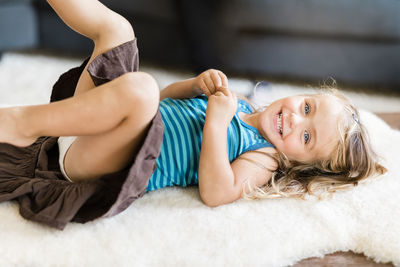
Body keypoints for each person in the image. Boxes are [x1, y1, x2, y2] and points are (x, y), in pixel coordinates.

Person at [0, 0, 387, 227]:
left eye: (306, 137)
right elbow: (167, 102)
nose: (295, 120)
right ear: (303, 95)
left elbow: (217, 192)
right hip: (90, 129)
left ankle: (20, 123)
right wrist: (193, 87)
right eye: (306, 108)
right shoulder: (240, 103)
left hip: (101, 164)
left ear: (302, 163)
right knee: (117, 29)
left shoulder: (265, 157)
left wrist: (217, 123)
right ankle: (39, 121)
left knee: (142, 90)